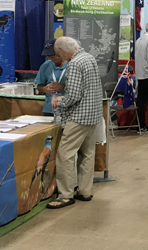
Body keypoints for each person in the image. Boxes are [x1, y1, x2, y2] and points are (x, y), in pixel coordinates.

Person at [47, 37, 102, 209]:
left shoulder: (75, 63)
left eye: (58, 53)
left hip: (78, 117)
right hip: (93, 115)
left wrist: (59, 101)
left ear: (63, 50)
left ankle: (65, 195)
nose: (59, 56)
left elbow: (74, 95)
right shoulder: (89, 58)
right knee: (87, 153)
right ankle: (85, 190)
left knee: (65, 154)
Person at [35, 38, 67, 117]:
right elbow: (39, 86)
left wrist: (63, 87)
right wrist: (44, 89)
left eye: (55, 55)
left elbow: (80, 89)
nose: (53, 58)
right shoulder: (46, 65)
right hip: (49, 110)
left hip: (67, 110)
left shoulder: (72, 65)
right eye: (50, 56)